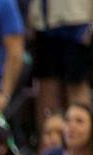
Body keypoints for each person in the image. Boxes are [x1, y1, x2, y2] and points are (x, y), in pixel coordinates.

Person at [29, 0, 93, 135]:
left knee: (76, 86)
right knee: (46, 87)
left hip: (76, 20)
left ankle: (84, 141)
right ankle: (48, 143)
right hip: (42, 22)